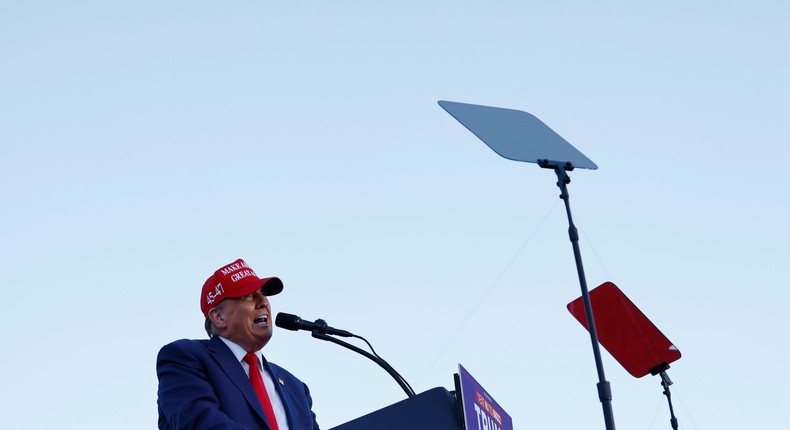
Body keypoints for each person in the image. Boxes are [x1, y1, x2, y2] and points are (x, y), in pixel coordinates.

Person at [157, 258, 320, 430]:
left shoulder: (296, 388)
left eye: (263, 294)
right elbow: (200, 423)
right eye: (249, 296)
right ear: (218, 317)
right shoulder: (185, 358)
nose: (263, 302)